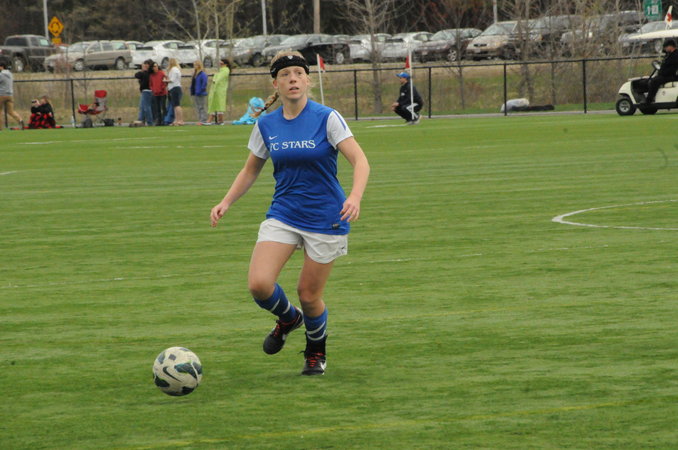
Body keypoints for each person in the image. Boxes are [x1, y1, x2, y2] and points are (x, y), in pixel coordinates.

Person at [210, 51, 370, 376]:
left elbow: (360, 161)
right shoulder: (266, 124)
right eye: (285, 75)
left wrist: (354, 196)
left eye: (298, 73)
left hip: (327, 217)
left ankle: (316, 349)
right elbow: (250, 170)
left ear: (307, 80)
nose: (292, 79)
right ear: (276, 84)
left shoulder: (327, 117)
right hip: (284, 213)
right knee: (259, 284)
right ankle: (288, 318)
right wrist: (226, 201)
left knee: (309, 296)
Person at [644, 39, 678, 104]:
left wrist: (662, 73)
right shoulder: (670, 54)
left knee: (654, 81)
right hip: (668, 75)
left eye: (666, 47)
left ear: (671, 46)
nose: (665, 49)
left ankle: (649, 100)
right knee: (651, 79)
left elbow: (672, 68)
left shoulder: (675, 55)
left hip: (672, 76)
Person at [0, 61, 24, 130]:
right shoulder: (10, 74)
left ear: (1, 67)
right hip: (10, 95)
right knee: (11, 111)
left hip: (1, 95)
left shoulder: (1, 75)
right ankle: (20, 120)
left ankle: (0, 128)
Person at [207, 58, 231, 124]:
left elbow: (219, 78)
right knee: (215, 103)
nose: (220, 64)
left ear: (225, 64)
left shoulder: (226, 70)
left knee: (220, 104)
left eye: (222, 63)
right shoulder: (220, 71)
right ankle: (217, 120)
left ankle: (220, 120)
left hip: (220, 90)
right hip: (216, 89)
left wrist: (215, 81)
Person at [134, 59, 154, 126]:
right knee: (142, 107)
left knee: (146, 107)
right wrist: (142, 70)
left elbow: (146, 79)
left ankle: (150, 122)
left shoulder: (150, 73)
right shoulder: (144, 72)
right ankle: (140, 121)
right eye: (144, 64)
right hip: (143, 91)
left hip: (148, 91)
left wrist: (144, 70)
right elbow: (137, 75)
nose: (145, 65)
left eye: (146, 64)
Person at [149, 61, 168, 126]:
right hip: (156, 94)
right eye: (154, 66)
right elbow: (151, 84)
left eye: (156, 66)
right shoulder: (151, 75)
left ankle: (164, 120)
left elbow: (165, 81)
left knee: (163, 107)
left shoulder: (161, 73)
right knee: (157, 108)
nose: (155, 68)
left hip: (162, 93)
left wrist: (162, 88)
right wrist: (153, 90)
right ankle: (159, 121)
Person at [166, 58, 184, 126]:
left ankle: (180, 120)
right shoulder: (175, 69)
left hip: (175, 88)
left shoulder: (174, 69)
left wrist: (165, 80)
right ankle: (176, 120)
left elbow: (172, 80)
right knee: (174, 106)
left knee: (177, 105)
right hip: (173, 88)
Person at [191, 60, 209, 124]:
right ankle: (200, 119)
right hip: (196, 92)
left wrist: (202, 89)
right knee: (198, 107)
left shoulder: (202, 74)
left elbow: (204, 82)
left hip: (201, 93)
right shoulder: (195, 74)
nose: (194, 66)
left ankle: (203, 120)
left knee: (202, 107)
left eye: (196, 65)